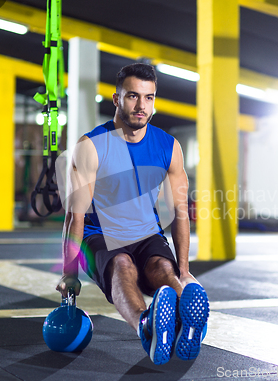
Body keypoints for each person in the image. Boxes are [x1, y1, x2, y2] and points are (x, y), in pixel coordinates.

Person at [56, 63, 209, 365]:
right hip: (98, 234)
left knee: (164, 270)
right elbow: (75, 216)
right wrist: (69, 272)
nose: (141, 106)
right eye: (133, 96)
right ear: (116, 99)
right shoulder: (91, 146)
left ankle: (185, 319)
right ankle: (147, 325)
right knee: (123, 265)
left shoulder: (169, 146)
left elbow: (180, 212)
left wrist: (184, 269)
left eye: (149, 98)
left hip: (145, 231)